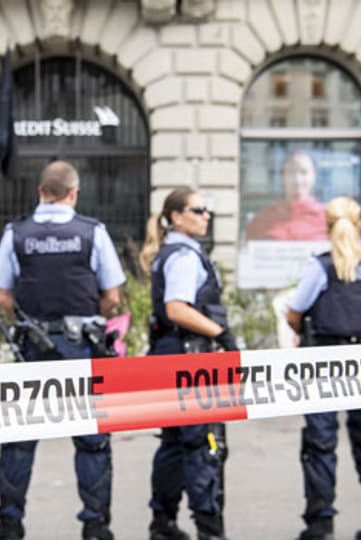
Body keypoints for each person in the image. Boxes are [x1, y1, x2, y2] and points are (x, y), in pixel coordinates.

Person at [0, 160, 125, 540]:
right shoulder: (92, 232)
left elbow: (2, 295)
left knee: (19, 441)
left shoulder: (16, 233)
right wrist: (90, 316)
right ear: (74, 193)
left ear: (41, 192)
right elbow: (112, 297)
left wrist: (27, 318)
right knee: (92, 443)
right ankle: (95, 525)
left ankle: (10, 525)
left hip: (31, 346)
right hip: (81, 348)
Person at [284, 197, 361, 540]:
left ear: (327, 226)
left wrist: (299, 330)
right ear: (359, 224)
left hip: (323, 361)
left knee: (320, 444)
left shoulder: (321, 267)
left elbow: (295, 310)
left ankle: (320, 527)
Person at [139, 187, 236, 540]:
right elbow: (176, 308)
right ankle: (209, 529)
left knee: (175, 443)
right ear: (177, 217)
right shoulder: (183, 256)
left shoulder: (180, 251)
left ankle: (162, 524)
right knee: (202, 443)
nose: (206, 216)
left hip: (173, 353)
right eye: (198, 210)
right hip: (190, 357)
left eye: (207, 210)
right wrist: (221, 333)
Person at [244, 151, 327, 241]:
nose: (297, 180)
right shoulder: (262, 219)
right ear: (282, 177)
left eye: (304, 172)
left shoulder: (327, 219)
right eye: (291, 172)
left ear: (314, 176)